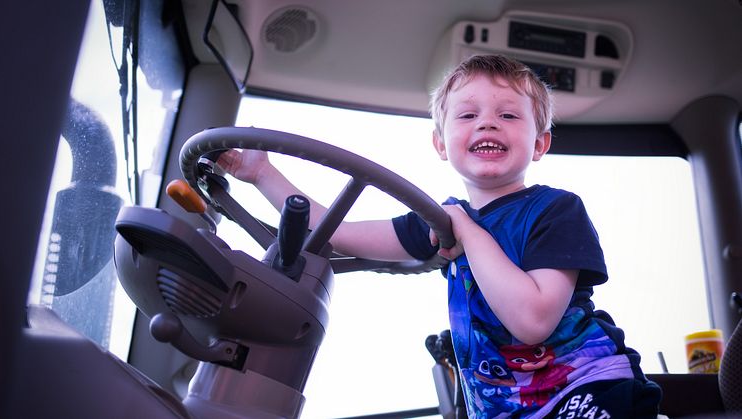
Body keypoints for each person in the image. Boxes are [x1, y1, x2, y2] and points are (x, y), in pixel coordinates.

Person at [218, 54, 662, 418]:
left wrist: (465, 228)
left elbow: (532, 322)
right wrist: (261, 173)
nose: (488, 124)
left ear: (540, 144)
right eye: (469, 115)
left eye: (508, 115)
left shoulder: (554, 210)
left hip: (585, 391)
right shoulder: (439, 220)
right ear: (441, 143)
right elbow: (337, 232)